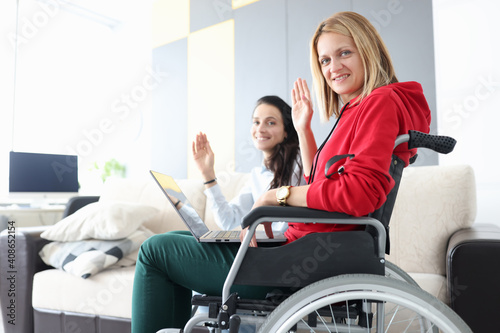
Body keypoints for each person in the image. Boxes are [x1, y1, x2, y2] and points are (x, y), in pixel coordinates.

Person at [132, 11, 431, 332]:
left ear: (368, 50)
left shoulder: (378, 102)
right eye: (325, 60)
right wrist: (304, 129)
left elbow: (357, 194)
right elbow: (324, 185)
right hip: (305, 251)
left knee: (154, 251)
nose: (333, 67)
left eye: (344, 53)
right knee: (176, 239)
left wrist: (276, 196)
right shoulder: (358, 107)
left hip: (300, 265)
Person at [132, 95, 304, 332]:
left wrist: (256, 225)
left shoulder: (298, 168)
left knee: (154, 248)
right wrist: (208, 174)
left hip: (269, 262)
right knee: (177, 235)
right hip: (257, 254)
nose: (260, 129)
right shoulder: (258, 174)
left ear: (287, 131)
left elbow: (286, 227)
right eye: (255, 122)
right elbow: (229, 218)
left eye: (270, 122)